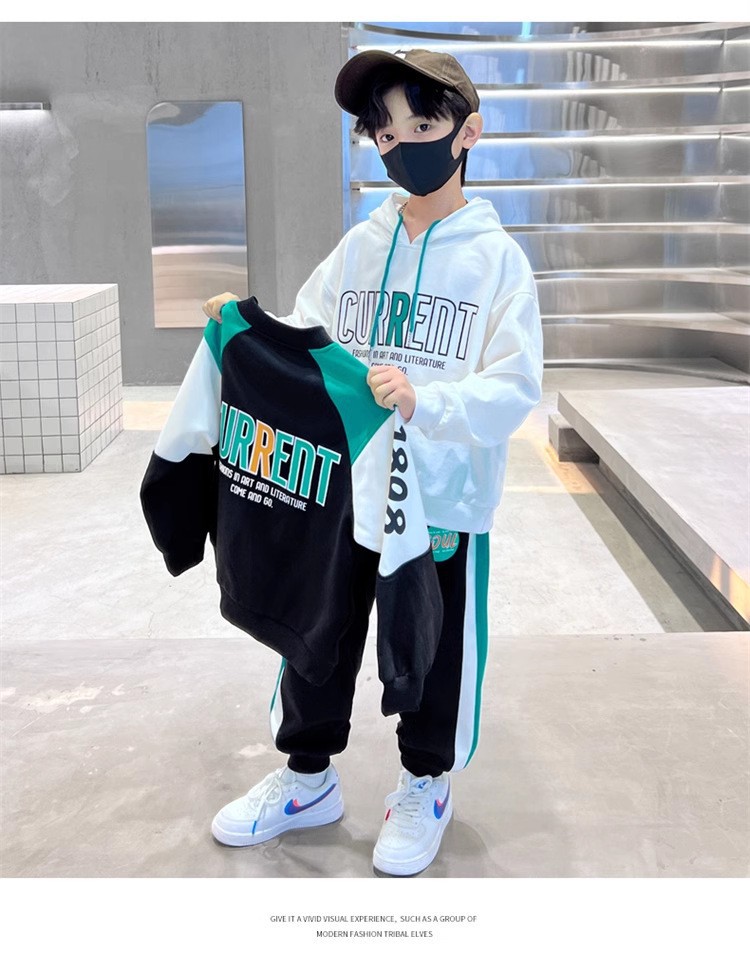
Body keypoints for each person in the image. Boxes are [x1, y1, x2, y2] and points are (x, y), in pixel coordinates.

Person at [204, 48, 543, 876]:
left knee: (430, 649)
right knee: (316, 635)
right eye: (385, 133)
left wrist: (430, 402)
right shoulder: (362, 245)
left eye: (421, 126)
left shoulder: (497, 261)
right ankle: (307, 777)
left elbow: (516, 387)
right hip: (346, 492)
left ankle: (425, 783)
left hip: (441, 502)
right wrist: (243, 329)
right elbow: (307, 336)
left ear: (468, 131)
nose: (401, 146)